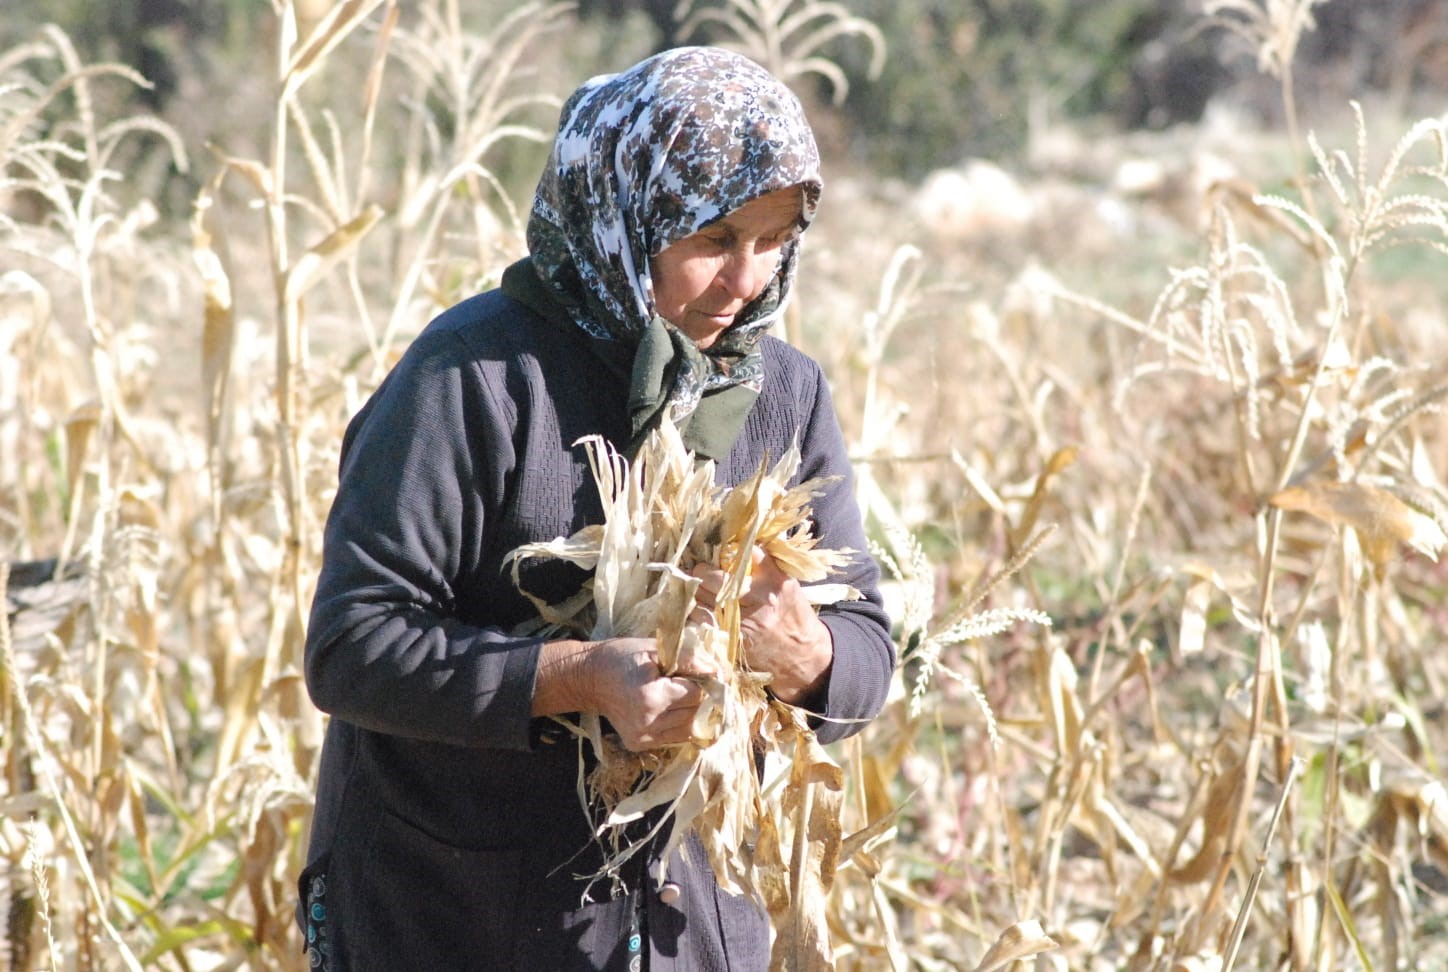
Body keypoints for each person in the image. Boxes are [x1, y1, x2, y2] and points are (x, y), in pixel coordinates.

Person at [297, 45, 895, 970]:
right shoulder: (474, 380)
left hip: (680, 926)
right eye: (713, 240)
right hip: (454, 913)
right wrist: (571, 678)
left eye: (773, 241)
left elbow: (867, 654)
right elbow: (352, 646)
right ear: (623, 214)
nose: (747, 282)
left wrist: (806, 654)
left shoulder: (783, 396)